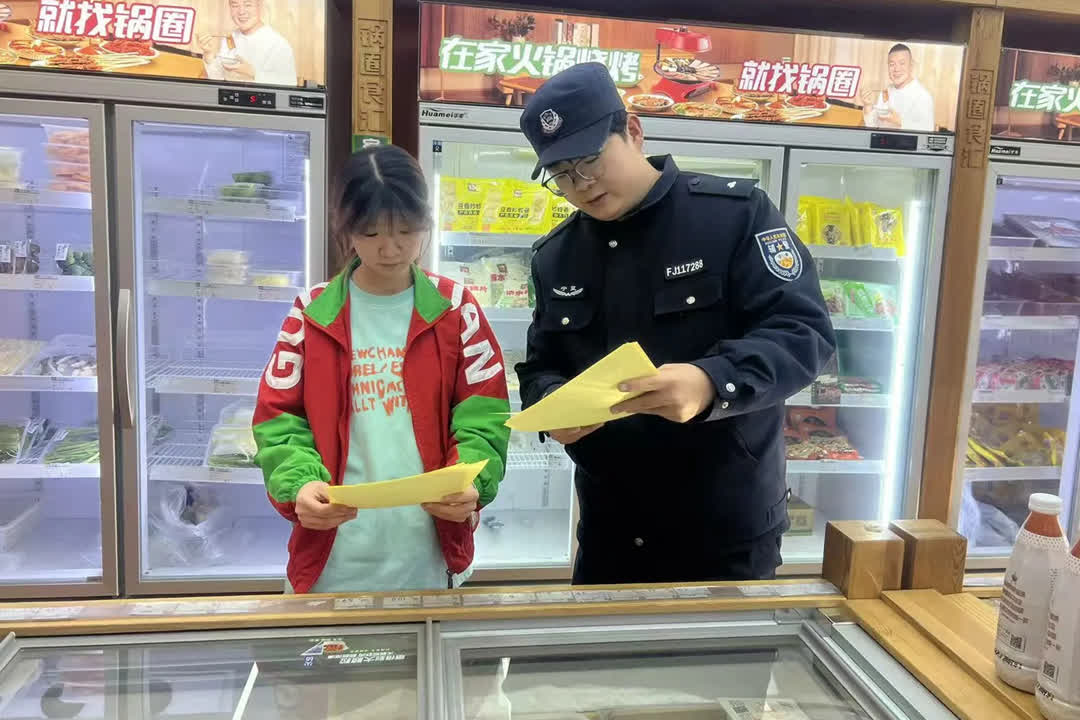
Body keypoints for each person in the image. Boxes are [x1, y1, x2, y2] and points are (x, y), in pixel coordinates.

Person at [514, 63, 836, 585]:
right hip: (610, 531)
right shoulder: (557, 255)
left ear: (633, 130)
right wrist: (552, 405)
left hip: (726, 533)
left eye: (591, 160)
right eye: (562, 175)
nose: (582, 185)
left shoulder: (735, 215)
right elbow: (540, 364)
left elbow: (804, 333)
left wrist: (712, 382)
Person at [253, 145, 511, 594]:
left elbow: (484, 413)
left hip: (428, 551)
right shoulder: (312, 313)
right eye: (370, 232)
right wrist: (300, 485)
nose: (390, 249)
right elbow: (279, 417)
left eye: (407, 231)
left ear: (427, 222)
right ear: (346, 228)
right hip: (333, 554)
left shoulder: (456, 309)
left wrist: (470, 479)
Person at [197, 0, 298, 86]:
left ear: (260, 6)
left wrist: (253, 73)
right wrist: (209, 54)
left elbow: (290, 83)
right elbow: (218, 80)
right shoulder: (230, 38)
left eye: (248, 5)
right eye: (235, 5)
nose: (241, 12)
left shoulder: (278, 44)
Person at [861, 44, 936, 132]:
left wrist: (900, 121)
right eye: (892, 64)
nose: (896, 69)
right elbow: (873, 127)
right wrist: (868, 106)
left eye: (902, 63)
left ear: (911, 65)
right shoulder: (886, 91)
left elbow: (927, 130)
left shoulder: (923, 96)